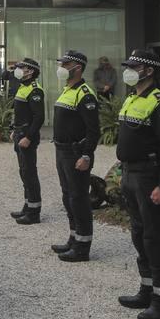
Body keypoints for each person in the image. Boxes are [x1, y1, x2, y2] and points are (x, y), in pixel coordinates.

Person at [115, 49, 160, 319]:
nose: (129, 70)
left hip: (149, 176)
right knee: (139, 235)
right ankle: (147, 288)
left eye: (135, 66)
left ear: (149, 71)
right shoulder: (133, 98)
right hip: (132, 174)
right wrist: (122, 171)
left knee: (155, 238)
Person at [50, 49, 99, 262]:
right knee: (68, 196)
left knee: (79, 198)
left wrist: (87, 155)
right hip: (61, 151)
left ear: (77, 68)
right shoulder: (67, 89)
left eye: (65, 64)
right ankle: (73, 237)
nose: (61, 68)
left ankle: (83, 247)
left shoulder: (85, 93)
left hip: (75, 153)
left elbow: (93, 129)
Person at [8, 58, 46, 225]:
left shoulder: (35, 90)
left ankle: (34, 213)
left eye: (21, 67)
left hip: (26, 136)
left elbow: (39, 117)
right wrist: (14, 130)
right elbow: (20, 113)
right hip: (19, 133)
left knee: (30, 173)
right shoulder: (22, 87)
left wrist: (28, 137)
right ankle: (27, 206)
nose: (18, 69)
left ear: (30, 71)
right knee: (23, 171)